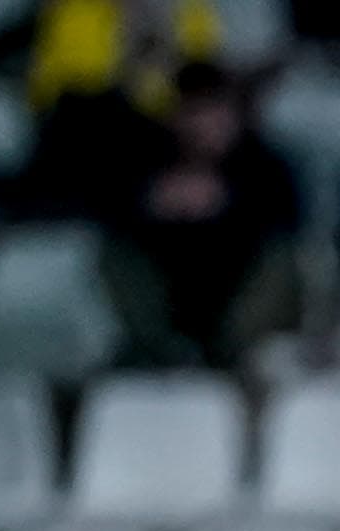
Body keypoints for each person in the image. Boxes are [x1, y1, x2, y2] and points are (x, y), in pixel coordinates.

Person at [98, 59, 300, 369]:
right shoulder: (152, 158)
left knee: (281, 261)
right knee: (117, 255)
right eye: (195, 110)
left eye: (216, 110)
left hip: (237, 300)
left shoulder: (266, 165)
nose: (205, 123)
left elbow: (283, 225)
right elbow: (113, 215)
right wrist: (155, 204)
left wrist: (225, 205)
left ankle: (227, 357)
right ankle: (161, 352)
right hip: (171, 297)